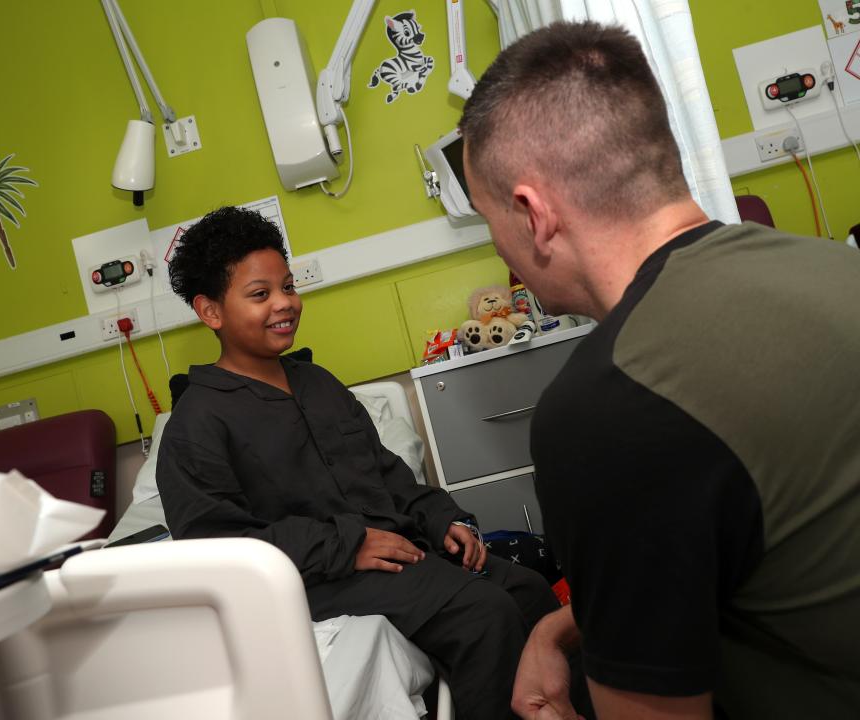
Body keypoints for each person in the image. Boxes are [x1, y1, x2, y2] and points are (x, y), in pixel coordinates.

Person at [458, 20, 860, 720]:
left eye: (488, 217)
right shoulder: (836, 269)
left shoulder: (609, 408)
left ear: (531, 213)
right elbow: (777, 540)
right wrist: (561, 622)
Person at [155, 206, 565, 720]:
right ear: (211, 311)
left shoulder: (317, 384)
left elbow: (389, 473)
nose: (284, 304)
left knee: (528, 591)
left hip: (398, 554)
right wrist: (348, 545)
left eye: (288, 287)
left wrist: (444, 520)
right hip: (318, 582)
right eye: (260, 295)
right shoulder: (196, 423)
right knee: (483, 615)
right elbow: (217, 547)